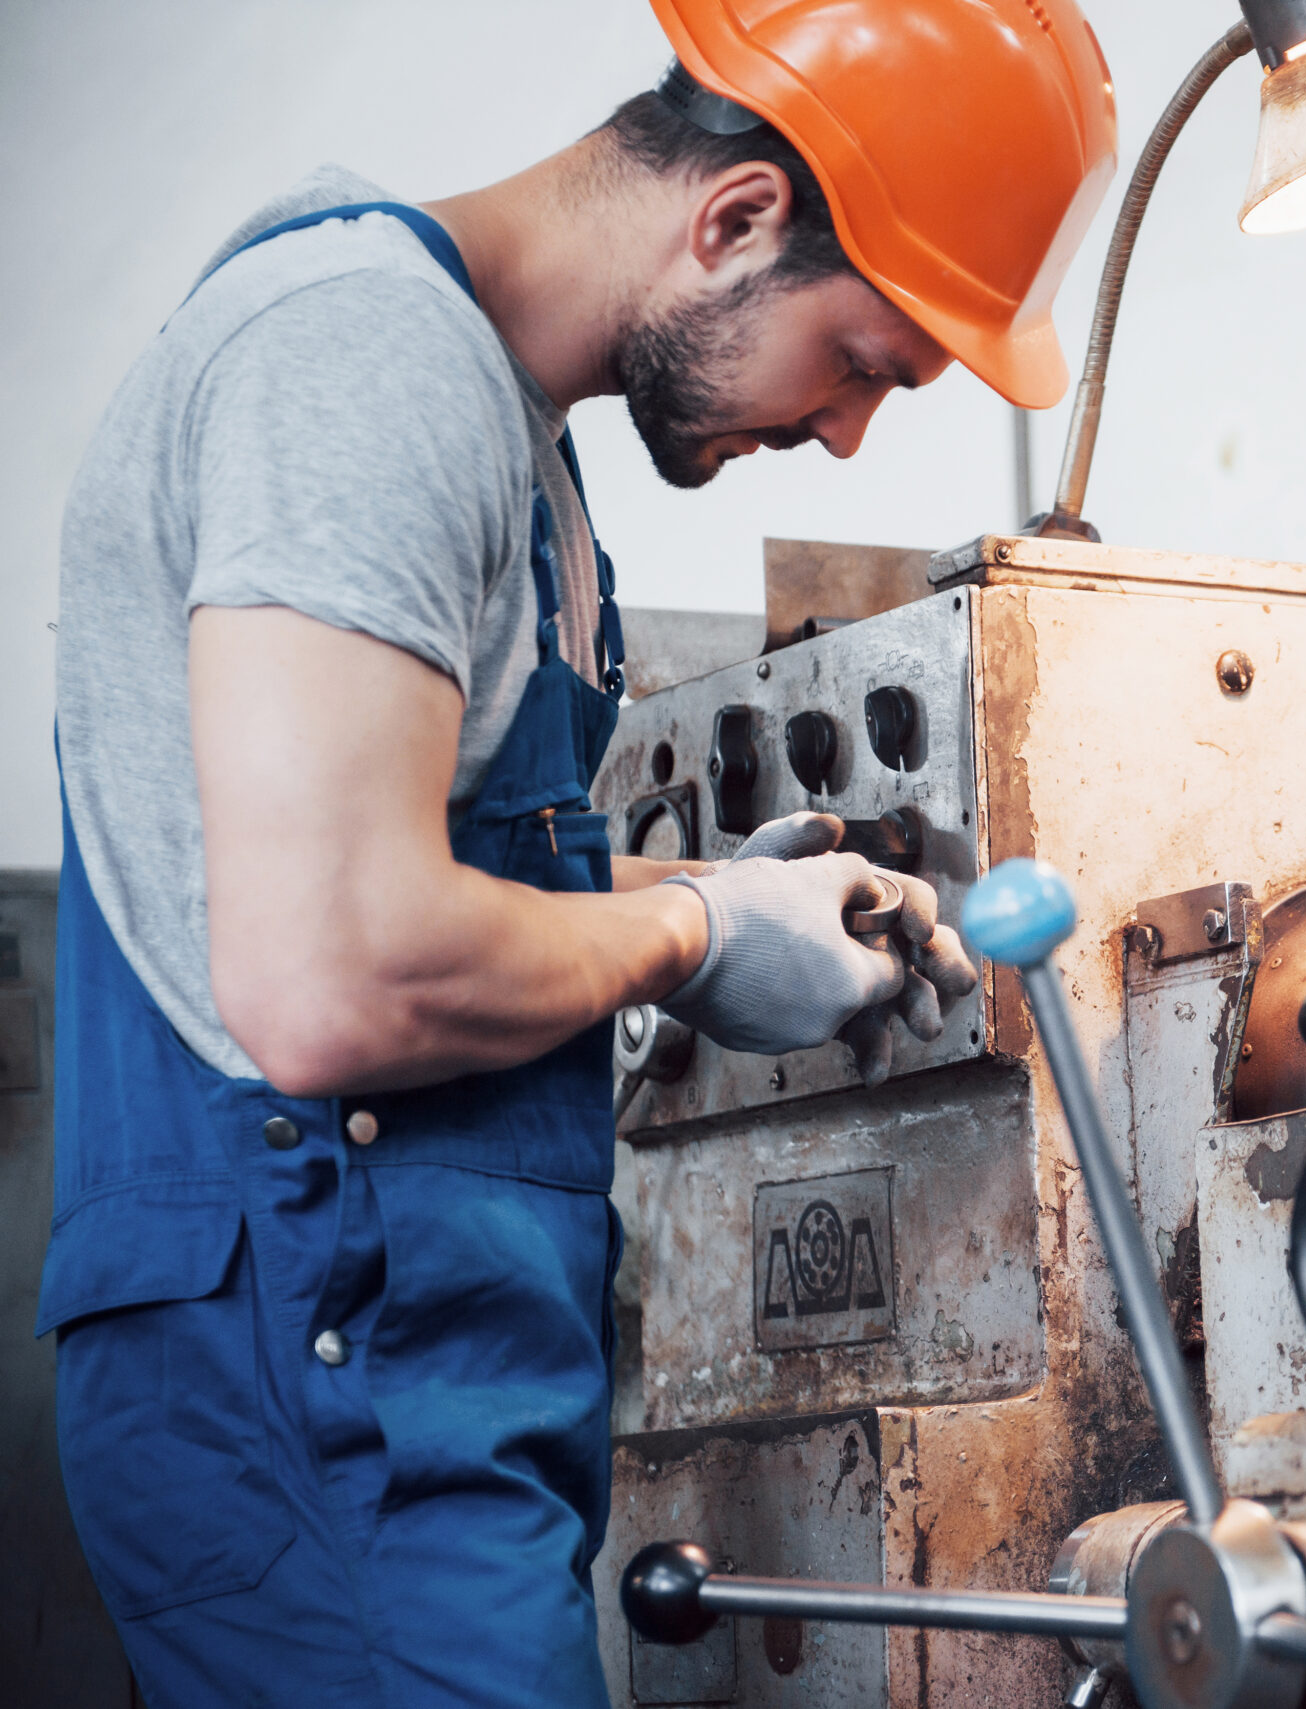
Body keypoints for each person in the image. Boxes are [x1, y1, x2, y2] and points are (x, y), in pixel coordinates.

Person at [38, 2, 1115, 1701]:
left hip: (415, 1362)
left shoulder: (509, 438)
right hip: (325, 1353)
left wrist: (735, 906)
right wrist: (689, 928)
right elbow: (329, 977)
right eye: (861, 361)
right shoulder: (365, 363)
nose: (846, 433)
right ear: (739, 218)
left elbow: (412, 883)